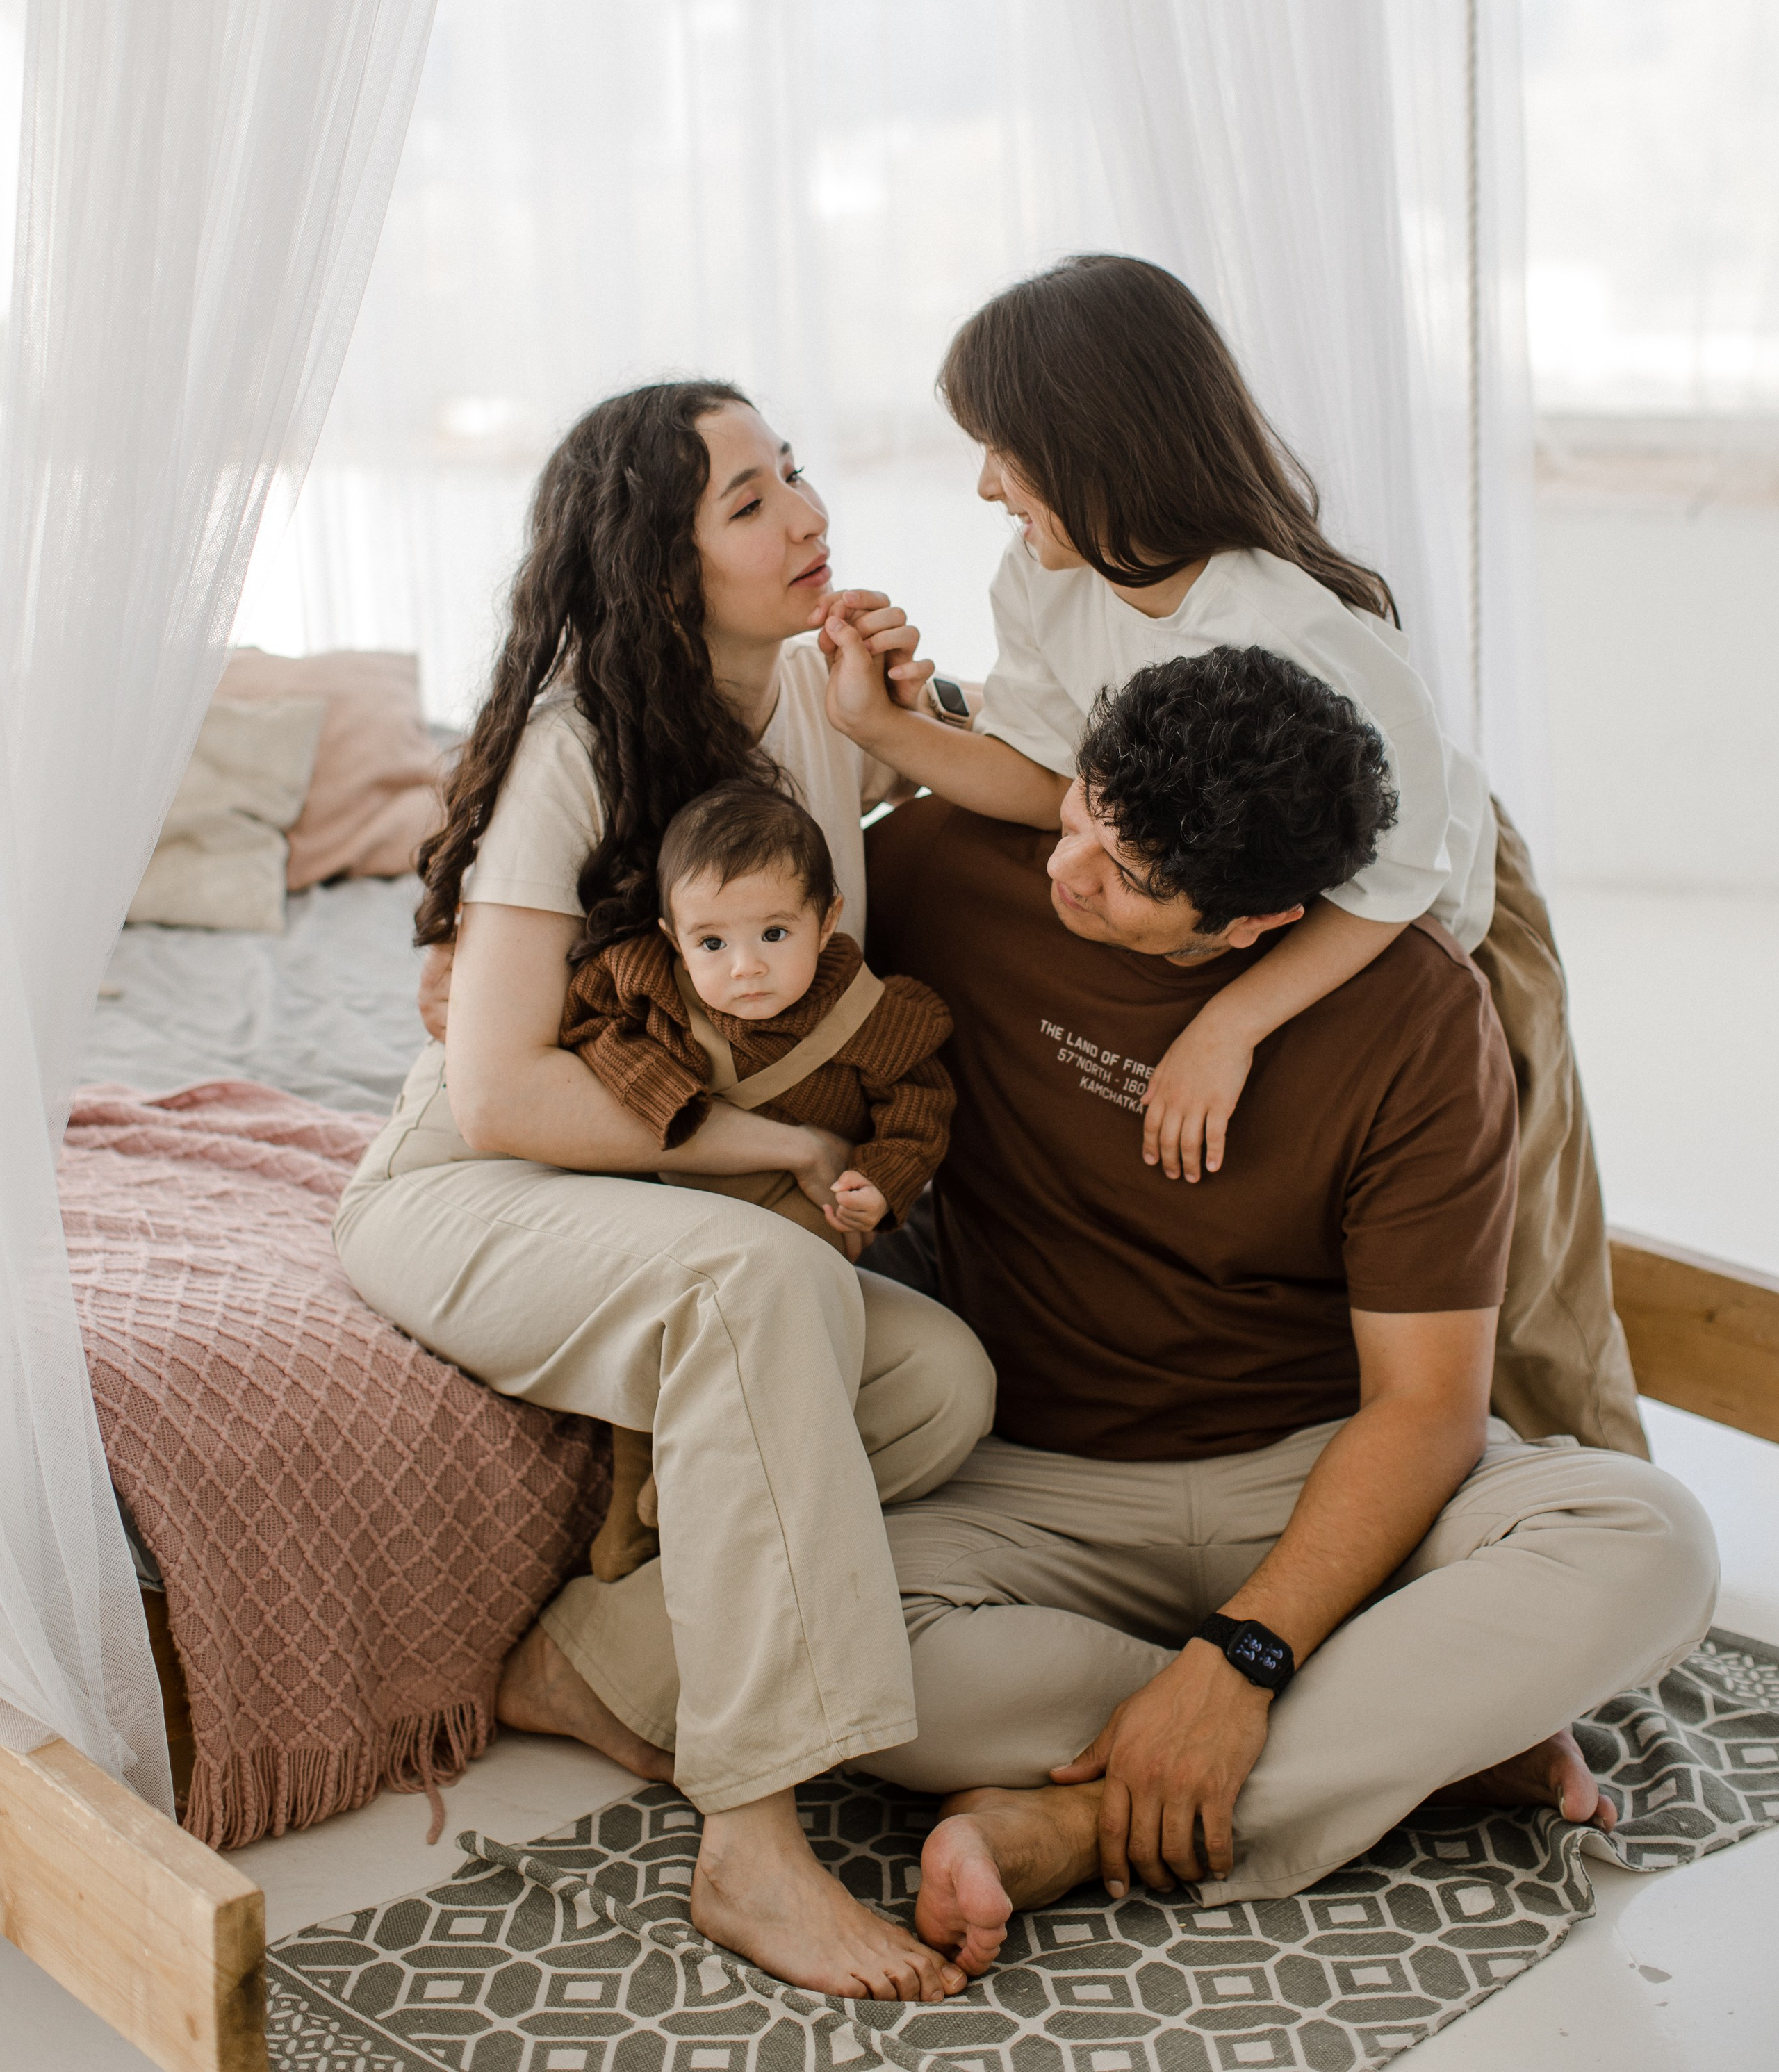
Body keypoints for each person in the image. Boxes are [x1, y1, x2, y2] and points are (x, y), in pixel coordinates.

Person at [851, 648, 1716, 1973]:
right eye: (1086, 810)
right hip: (1035, 1486)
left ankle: (1077, 1834)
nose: (1067, 868)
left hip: (1323, 1479)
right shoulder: (939, 867)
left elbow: (1427, 1411)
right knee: (811, 1631)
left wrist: (1244, 1658)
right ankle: (1397, 1738)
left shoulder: (1420, 1019)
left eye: (1132, 878)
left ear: (1256, 925)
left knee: (1648, 1540)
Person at [332, 381, 995, 2001]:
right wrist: (775, 1153)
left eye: (798, 477)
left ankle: (584, 1661)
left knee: (935, 1381)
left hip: (643, 1189)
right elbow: (497, 1088)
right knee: (763, 1286)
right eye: (752, 501)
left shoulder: (808, 699)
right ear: (655, 556)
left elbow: (902, 900)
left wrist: (900, 711)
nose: (806, 517)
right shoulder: (577, 740)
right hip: (467, 1178)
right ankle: (752, 1840)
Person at [823, 252, 1643, 1458]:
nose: (987, 484)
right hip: (1232, 885)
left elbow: (1398, 888)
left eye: (1006, 449)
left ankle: (1608, 1536)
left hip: (1418, 900)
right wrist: (884, 729)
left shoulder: (1306, 632)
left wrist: (1232, 1024)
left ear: (1101, 445)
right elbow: (1049, 776)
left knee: (1525, 1275)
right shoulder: (1045, 581)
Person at [561, 779, 954, 1581]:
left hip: (798, 1207)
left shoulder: (871, 1012)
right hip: (677, 1187)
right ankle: (632, 1491)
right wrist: (664, 1096)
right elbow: (590, 1026)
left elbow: (920, 1105)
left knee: (784, 1318)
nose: (744, 969)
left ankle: (703, 1474)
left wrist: (881, 1183)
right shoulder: (646, 982)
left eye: (775, 933)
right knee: (651, 1337)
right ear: (672, 936)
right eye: (712, 944)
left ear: (827, 919)